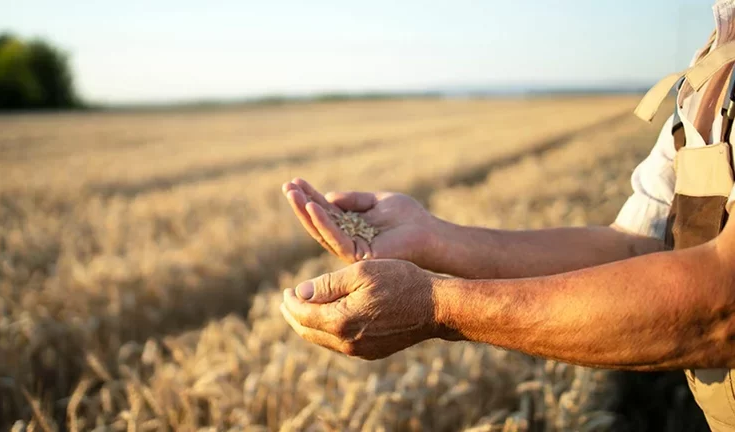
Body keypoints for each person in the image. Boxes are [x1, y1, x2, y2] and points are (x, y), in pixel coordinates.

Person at [280, 3, 735, 430]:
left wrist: (437, 307)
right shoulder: (715, 52)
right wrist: (434, 238)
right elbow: (638, 245)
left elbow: (723, 303)